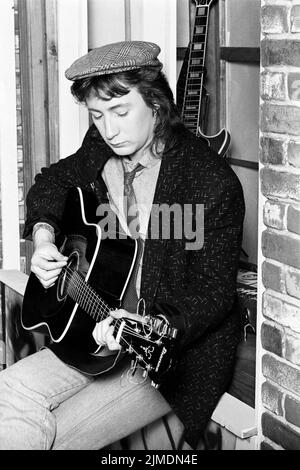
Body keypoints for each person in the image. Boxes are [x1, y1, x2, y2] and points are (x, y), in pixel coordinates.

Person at [0, 40, 245, 450]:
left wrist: (148, 327)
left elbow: (213, 294)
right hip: (94, 326)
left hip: (164, 355)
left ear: (155, 103)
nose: (109, 129)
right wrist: (43, 237)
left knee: (57, 437)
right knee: (9, 392)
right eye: (97, 115)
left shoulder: (210, 181)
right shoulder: (100, 147)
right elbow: (52, 181)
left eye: (120, 112)